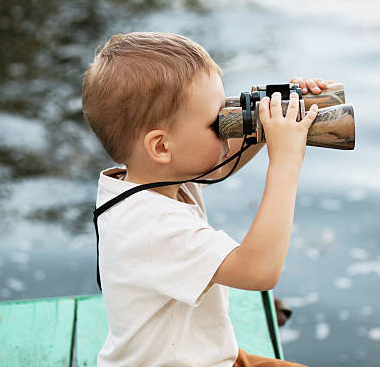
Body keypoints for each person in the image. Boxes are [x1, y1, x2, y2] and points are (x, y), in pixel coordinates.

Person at [82, 32, 330, 367]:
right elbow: (259, 271)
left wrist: (268, 115)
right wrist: (285, 159)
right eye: (218, 122)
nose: (228, 127)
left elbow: (214, 167)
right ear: (161, 147)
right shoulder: (153, 228)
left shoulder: (150, 180)